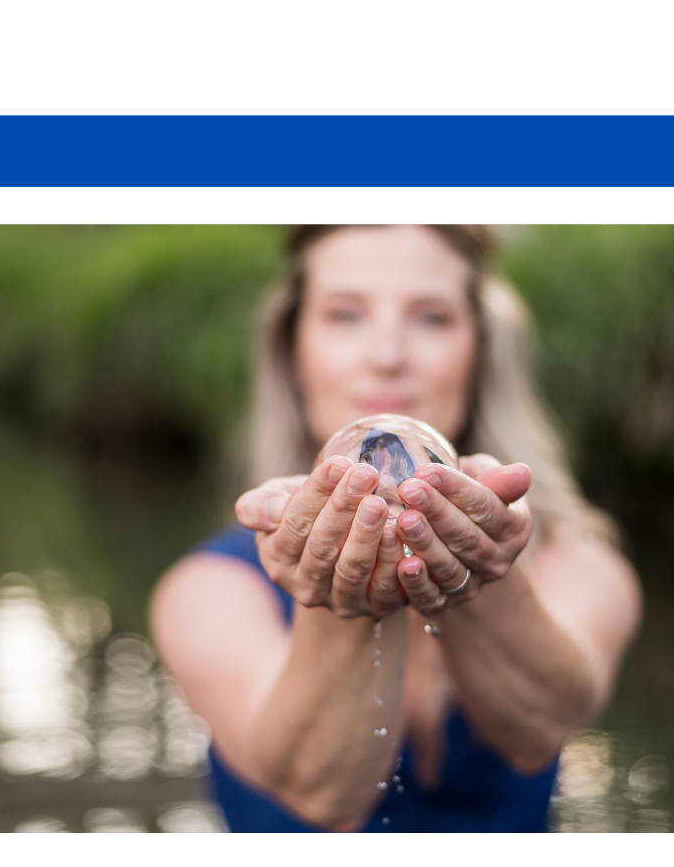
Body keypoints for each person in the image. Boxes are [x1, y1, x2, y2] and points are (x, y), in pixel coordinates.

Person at [151, 225, 641, 832]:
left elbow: (540, 727)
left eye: (432, 318)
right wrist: (340, 598)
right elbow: (320, 795)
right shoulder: (208, 591)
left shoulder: (582, 567)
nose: (386, 355)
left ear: (484, 350)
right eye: (345, 315)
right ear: (292, 351)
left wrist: (483, 571)